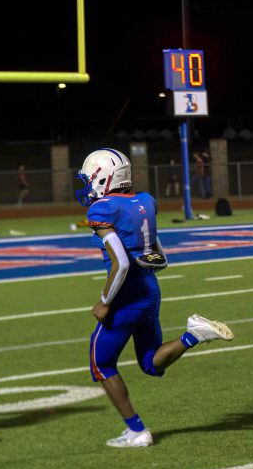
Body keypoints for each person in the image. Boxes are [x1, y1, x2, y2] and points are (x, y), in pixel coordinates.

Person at [75, 148, 234, 448]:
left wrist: (105, 301)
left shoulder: (102, 209)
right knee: (150, 362)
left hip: (126, 295)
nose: (87, 186)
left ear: (103, 178)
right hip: (150, 289)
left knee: (100, 363)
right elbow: (159, 257)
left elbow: (122, 263)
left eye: (90, 179)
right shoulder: (145, 201)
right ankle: (193, 336)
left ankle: (136, 431)